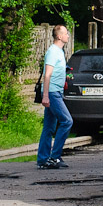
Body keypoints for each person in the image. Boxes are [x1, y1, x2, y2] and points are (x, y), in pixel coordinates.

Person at [37, 24, 73, 170]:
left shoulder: (59, 51)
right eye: (65, 33)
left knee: (49, 127)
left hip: (55, 92)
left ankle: (43, 159)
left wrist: (66, 76)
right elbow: (47, 74)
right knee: (67, 121)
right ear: (59, 36)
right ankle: (54, 156)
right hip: (51, 93)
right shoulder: (53, 52)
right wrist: (45, 96)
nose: (68, 35)